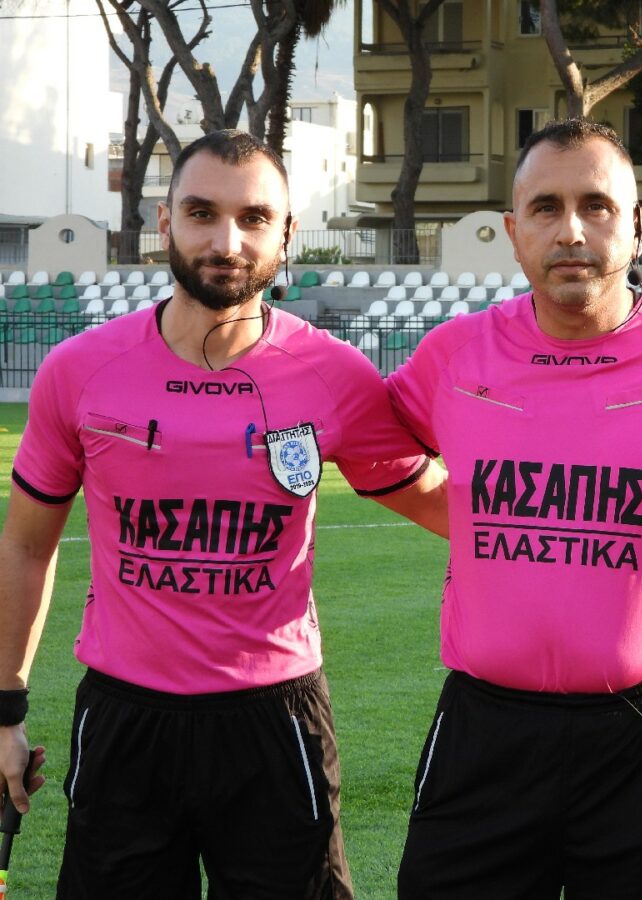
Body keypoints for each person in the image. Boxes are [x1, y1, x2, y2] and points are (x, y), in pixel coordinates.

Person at [0, 129, 447, 899]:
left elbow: (443, 504)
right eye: (202, 213)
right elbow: (26, 547)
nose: (226, 241)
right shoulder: (79, 372)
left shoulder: (335, 374)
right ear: (165, 221)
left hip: (275, 720)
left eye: (253, 217)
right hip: (125, 719)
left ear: (286, 233)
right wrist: (4, 711)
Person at [384, 118, 642, 898]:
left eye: (597, 206)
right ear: (514, 233)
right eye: (546, 208)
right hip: (485, 731)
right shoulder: (454, 355)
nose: (571, 230)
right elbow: (373, 448)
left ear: (639, 227)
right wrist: (467, 521)